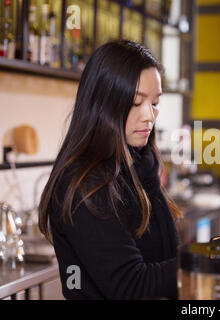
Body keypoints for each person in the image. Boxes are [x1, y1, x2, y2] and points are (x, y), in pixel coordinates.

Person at [38, 40, 182, 300]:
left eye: (155, 103)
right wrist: (212, 260)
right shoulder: (83, 183)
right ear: (103, 103)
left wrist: (218, 250)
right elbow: (131, 284)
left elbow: (165, 257)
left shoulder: (141, 167)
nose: (149, 116)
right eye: (137, 103)